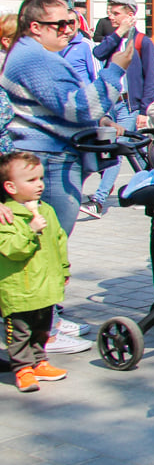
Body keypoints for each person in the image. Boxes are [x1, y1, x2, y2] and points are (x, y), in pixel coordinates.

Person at [1, 0, 133, 234]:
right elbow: (81, 108)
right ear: (35, 27)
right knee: (51, 241)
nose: (69, 30)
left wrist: (99, 120)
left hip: (47, 157)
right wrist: (116, 69)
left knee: (48, 242)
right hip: (51, 160)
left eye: (72, 23)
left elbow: (61, 104)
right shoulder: (35, 57)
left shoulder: (29, 52)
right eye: (60, 24)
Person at [0, 152, 72, 392]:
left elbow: (58, 241)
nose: (39, 184)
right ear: (10, 186)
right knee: (19, 331)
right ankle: (22, 368)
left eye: (40, 178)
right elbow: (11, 249)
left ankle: (39, 361)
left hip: (46, 286)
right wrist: (30, 230)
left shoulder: (47, 210)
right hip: (19, 289)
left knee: (42, 326)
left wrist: (63, 268)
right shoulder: (6, 216)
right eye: (30, 180)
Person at [84, 0, 154, 217]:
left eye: (116, 13)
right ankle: (152, 185)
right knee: (132, 150)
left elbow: (151, 79)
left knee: (115, 149)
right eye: (110, 12)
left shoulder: (142, 42)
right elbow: (97, 53)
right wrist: (117, 34)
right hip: (109, 105)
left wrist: (145, 111)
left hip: (129, 105)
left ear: (130, 15)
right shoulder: (113, 38)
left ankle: (98, 200)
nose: (111, 17)